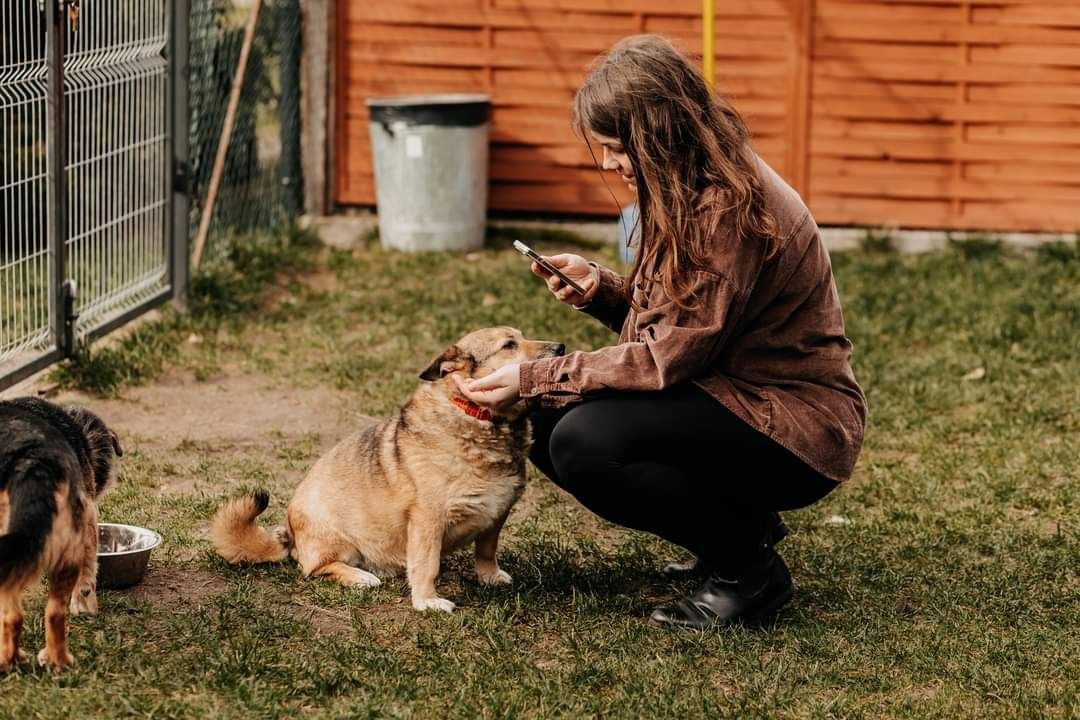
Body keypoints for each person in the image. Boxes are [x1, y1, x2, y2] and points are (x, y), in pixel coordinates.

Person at [454, 34, 866, 629]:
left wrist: (536, 373)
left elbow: (667, 358)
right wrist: (603, 289)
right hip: (728, 394)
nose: (608, 164)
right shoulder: (688, 183)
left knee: (582, 441)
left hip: (793, 425)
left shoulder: (726, 206)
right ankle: (738, 528)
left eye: (616, 148)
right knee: (543, 418)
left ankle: (748, 573)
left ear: (658, 134)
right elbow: (682, 325)